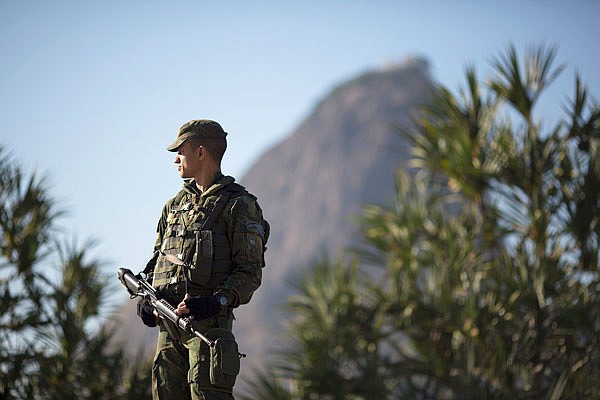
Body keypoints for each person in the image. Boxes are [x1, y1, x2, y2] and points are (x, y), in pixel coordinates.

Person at [138, 119, 269, 400]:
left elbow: (249, 272)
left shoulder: (239, 205)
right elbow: (157, 261)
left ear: (201, 153)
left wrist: (215, 301)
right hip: (168, 329)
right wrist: (147, 304)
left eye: (181, 151)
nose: (175, 159)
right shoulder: (173, 207)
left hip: (207, 332)